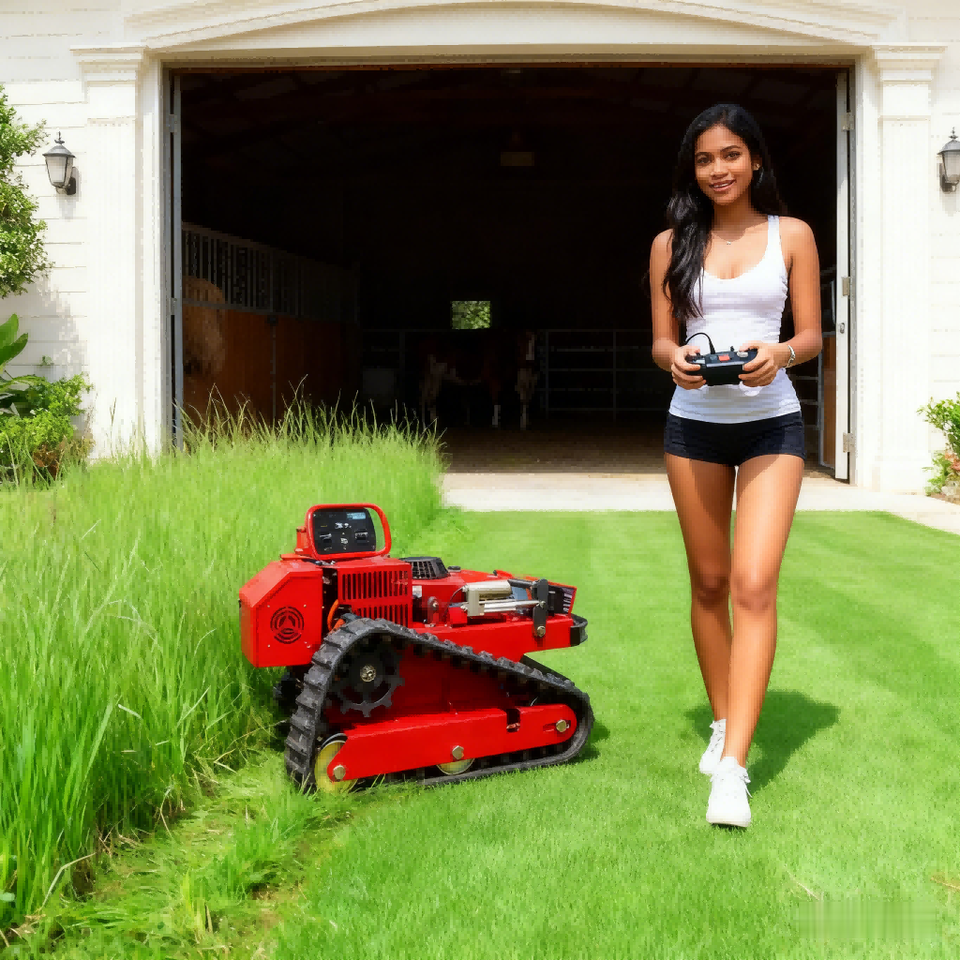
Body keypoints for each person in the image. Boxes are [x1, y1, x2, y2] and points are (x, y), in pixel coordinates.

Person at [648, 103, 822, 828]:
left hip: (771, 426)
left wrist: (778, 353)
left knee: (753, 585)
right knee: (710, 583)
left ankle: (733, 770)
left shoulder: (793, 234)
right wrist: (677, 360)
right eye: (704, 159)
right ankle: (722, 721)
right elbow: (661, 342)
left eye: (730, 155)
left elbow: (811, 335)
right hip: (693, 429)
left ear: (755, 160)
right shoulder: (669, 244)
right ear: (693, 169)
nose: (718, 169)